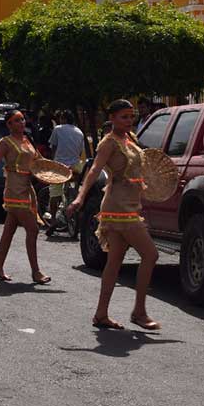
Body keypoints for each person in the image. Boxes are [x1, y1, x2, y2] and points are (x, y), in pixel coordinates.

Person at [67, 99, 161, 331]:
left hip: (129, 203)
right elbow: (95, 170)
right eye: (123, 117)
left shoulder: (131, 140)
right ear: (112, 119)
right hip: (119, 207)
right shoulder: (108, 142)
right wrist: (80, 197)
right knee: (151, 255)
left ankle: (101, 314)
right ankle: (139, 312)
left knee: (114, 261)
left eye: (131, 116)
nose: (129, 121)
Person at [0, 110, 51, 284]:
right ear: (9, 125)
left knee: (9, 230)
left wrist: (59, 172)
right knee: (33, 229)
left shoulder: (28, 140)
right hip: (14, 189)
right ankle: (35, 272)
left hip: (27, 189)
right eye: (16, 120)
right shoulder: (5, 142)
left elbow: (40, 162)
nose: (21, 123)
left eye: (22, 119)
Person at [47, 109, 86, 223]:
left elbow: (53, 147)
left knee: (54, 194)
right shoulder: (80, 132)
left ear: (63, 118)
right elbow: (79, 153)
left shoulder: (58, 129)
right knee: (74, 189)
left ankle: (53, 219)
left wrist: (52, 162)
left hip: (60, 167)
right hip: (76, 167)